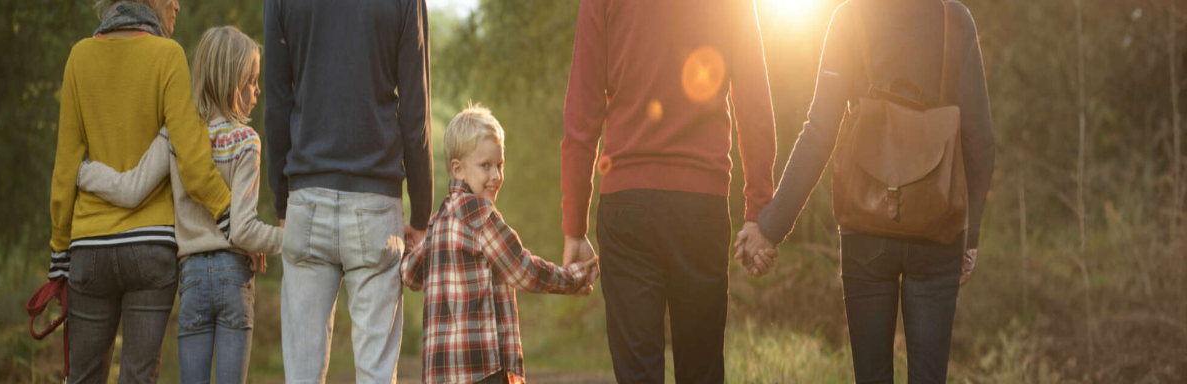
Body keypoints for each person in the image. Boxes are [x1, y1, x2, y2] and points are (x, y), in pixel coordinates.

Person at [736, 0, 996, 382]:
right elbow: (981, 141)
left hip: (865, 226)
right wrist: (970, 237)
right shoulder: (953, 18)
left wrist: (769, 227)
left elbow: (819, 134)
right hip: (937, 229)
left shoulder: (849, 17)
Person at [559, 0, 778, 382]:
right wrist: (758, 211)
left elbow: (582, 112)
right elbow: (754, 104)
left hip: (627, 206)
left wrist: (574, 226)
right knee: (701, 370)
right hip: (700, 206)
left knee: (637, 373)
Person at [73, 25, 282, 384]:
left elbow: (131, 189)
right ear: (230, 82)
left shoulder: (175, 134)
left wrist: (83, 172)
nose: (257, 90)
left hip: (193, 279)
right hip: (233, 276)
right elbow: (244, 229)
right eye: (251, 81)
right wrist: (289, 239)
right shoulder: (246, 141)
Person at [47, 0, 235, 383]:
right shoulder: (168, 55)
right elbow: (193, 160)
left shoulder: (79, 58)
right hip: (150, 248)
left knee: (82, 377)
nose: (177, 5)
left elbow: (67, 165)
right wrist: (231, 213)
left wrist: (59, 249)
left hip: (90, 247)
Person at [262, 0, 433, 381]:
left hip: (306, 195)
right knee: (376, 373)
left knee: (302, 374)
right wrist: (421, 212)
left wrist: (282, 200)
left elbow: (276, 103)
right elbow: (415, 111)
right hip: (376, 203)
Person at [401, 105, 599, 384]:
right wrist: (575, 277)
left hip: (440, 374)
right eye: (486, 166)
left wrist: (407, 244)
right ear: (458, 169)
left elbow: (409, 274)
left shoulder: (437, 222)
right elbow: (524, 271)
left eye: (500, 165)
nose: (496, 175)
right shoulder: (482, 217)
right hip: (482, 370)